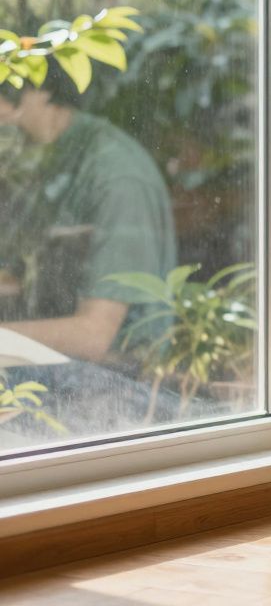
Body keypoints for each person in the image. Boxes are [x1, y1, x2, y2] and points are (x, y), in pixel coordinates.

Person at [0, 62, 179, 441]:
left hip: (122, 382)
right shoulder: (50, 154)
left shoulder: (116, 176)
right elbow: (18, 275)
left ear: (40, 92)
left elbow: (94, 336)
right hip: (58, 364)